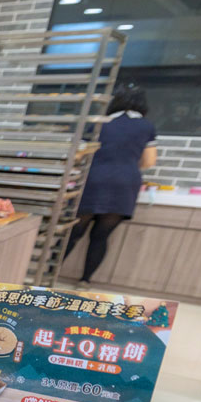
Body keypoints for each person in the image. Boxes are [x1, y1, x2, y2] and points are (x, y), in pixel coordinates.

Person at [64, 86, 157, 286]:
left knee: (74, 232)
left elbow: (79, 155)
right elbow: (149, 161)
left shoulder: (99, 124)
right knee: (101, 236)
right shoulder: (146, 127)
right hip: (125, 185)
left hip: (94, 180)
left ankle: (49, 274)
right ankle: (85, 280)